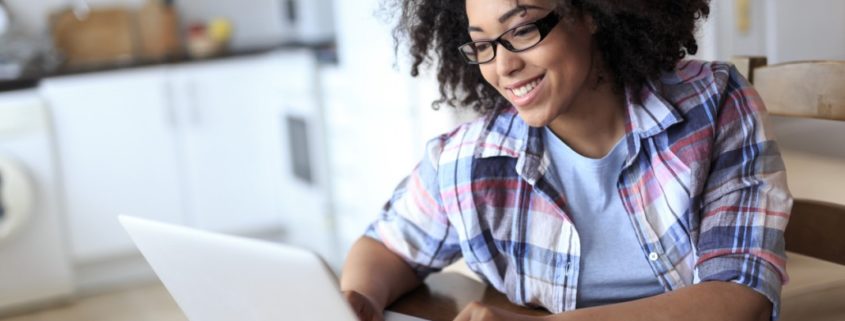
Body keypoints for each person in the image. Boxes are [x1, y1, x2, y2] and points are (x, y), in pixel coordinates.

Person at [340, 0, 792, 320]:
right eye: (482, 45)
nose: (504, 66)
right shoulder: (468, 160)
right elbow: (386, 246)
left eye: (522, 29)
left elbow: (740, 295)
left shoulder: (712, 104)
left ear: (590, 12)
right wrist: (360, 299)